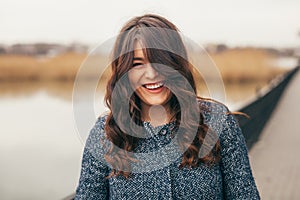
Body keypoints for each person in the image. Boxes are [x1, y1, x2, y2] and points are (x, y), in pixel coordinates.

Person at [75, 14, 260, 199]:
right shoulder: (104, 135)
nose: (152, 73)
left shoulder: (218, 123)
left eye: (160, 61)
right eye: (137, 64)